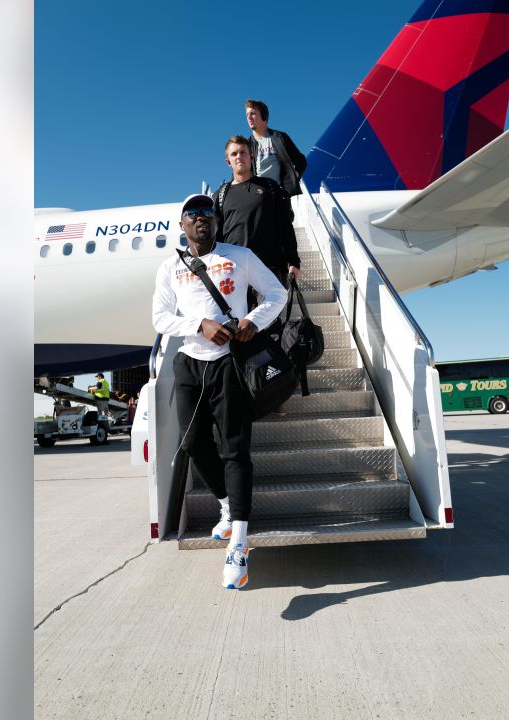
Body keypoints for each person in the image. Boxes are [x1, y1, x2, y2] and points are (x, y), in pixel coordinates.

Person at [151, 193, 287, 589]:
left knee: (235, 450)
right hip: (190, 364)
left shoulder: (240, 255)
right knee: (193, 443)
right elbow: (159, 317)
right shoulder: (170, 267)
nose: (201, 219)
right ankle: (227, 507)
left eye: (207, 213)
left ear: (217, 220)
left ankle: (240, 544)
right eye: (192, 215)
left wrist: (253, 321)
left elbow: (276, 294)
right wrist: (199, 326)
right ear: (182, 225)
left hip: (230, 364)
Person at [212, 136, 301, 289]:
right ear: (228, 161)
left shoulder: (270, 187)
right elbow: (216, 237)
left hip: (269, 269)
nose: (239, 156)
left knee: (270, 313)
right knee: (237, 314)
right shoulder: (220, 195)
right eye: (234, 154)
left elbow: (285, 226)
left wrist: (294, 261)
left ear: (251, 156)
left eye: (243, 152)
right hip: (233, 272)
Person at [244, 99, 307, 198]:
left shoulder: (280, 137)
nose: (249, 118)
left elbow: (301, 160)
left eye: (253, 113)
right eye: (247, 115)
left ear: (264, 116)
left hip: (280, 195)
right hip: (257, 197)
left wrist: (294, 176)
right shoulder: (246, 145)